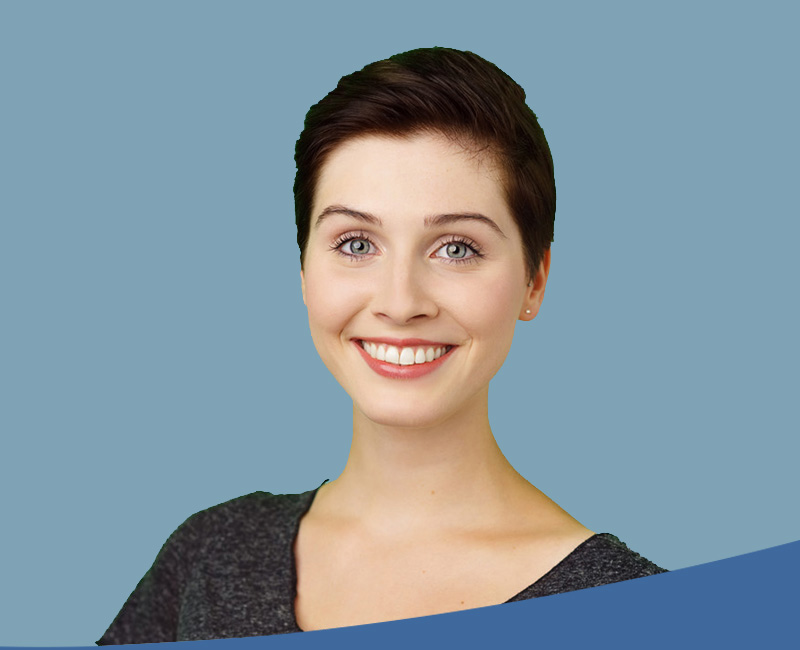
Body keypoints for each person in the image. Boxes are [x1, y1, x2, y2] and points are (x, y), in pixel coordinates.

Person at [97, 47, 665, 644]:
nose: (400, 302)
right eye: (356, 244)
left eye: (457, 248)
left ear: (535, 280)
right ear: (304, 270)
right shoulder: (211, 556)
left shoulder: (639, 611)